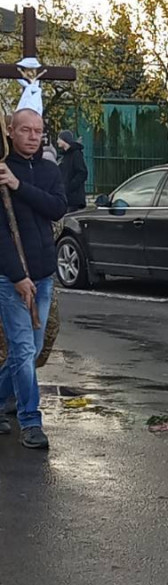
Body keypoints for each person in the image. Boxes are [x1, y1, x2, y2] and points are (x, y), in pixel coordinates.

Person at [0, 108, 68, 449]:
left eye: (38, 130)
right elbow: (0, 233)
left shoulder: (48, 171)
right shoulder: (0, 171)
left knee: (32, 350)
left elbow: (57, 208)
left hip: (42, 275)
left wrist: (19, 186)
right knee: (24, 349)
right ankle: (30, 421)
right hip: (11, 279)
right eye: (25, 129)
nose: (32, 136)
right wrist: (16, 275)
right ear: (11, 132)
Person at [57, 129, 88, 211]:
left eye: (59, 139)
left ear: (64, 140)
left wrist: (69, 187)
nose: (57, 141)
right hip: (67, 197)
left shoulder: (76, 154)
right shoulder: (65, 156)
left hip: (74, 199)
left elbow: (82, 173)